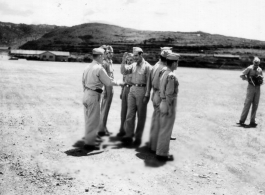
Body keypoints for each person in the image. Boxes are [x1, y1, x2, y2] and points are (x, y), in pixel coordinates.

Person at [82, 48, 122, 150]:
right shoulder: (99, 68)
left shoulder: (87, 67)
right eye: (103, 55)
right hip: (94, 95)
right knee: (93, 120)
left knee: (88, 119)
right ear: (99, 56)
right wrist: (120, 83)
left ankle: (89, 141)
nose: (103, 57)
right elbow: (108, 82)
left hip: (86, 93)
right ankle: (89, 144)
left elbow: (83, 81)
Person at [120, 47, 152, 146]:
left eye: (136, 56)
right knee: (130, 114)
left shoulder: (147, 67)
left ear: (141, 55)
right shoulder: (133, 65)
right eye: (134, 56)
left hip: (142, 90)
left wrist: (147, 94)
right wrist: (123, 60)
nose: (135, 58)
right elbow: (123, 71)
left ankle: (138, 138)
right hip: (132, 90)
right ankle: (128, 136)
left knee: (141, 116)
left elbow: (149, 82)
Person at [145, 47, 172, 152]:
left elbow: (149, 81)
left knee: (156, 119)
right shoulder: (164, 68)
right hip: (161, 95)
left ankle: (152, 144)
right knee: (160, 121)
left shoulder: (156, 65)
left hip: (155, 94)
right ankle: (156, 147)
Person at [156, 52, 180, 161]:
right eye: (177, 62)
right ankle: (162, 154)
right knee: (166, 129)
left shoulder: (164, 72)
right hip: (168, 103)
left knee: (164, 128)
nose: (177, 64)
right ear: (174, 63)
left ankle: (160, 151)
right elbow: (169, 93)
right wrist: (170, 109)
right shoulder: (171, 75)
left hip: (162, 102)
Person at [237, 57, 263, 127]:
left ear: (259, 63)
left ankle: (252, 121)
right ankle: (242, 120)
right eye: (255, 64)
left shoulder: (260, 69)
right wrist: (248, 79)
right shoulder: (249, 68)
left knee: (255, 104)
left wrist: (260, 79)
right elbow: (242, 75)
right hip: (251, 87)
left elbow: (262, 78)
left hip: (257, 88)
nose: (256, 65)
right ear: (253, 62)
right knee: (247, 103)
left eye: (257, 64)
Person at [98, 45, 115, 136]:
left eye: (111, 52)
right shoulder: (104, 63)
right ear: (105, 54)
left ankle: (103, 127)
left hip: (110, 86)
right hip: (106, 87)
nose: (110, 54)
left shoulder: (110, 62)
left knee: (106, 108)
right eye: (108, 53)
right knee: (104, 107)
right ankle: (101, 129)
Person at [117, 53, 134, 137]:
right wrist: (121, 91)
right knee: (123, 110)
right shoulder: (125, 69)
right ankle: (122, 129)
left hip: (132, 89)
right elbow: (123, 80)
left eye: (131, 60)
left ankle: (129, 131)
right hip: (125, 89)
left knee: (130, 111)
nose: (129, 61)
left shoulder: (134, 68)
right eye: (128, 60)